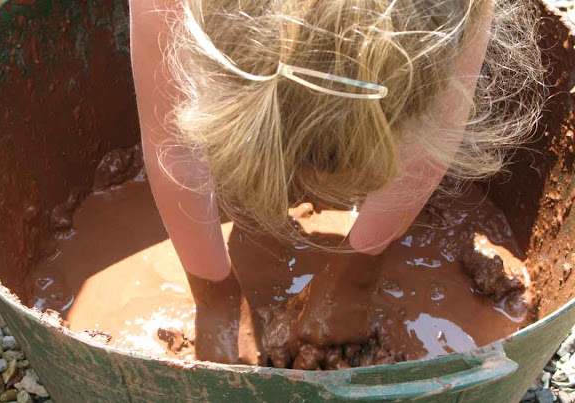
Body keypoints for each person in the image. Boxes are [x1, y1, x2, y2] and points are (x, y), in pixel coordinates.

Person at [129, 0, 543, 362]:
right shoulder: (169, 8)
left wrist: (356, 272)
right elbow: (173, 143)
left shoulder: (450, 15)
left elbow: (434, 139)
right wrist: (213, 297)